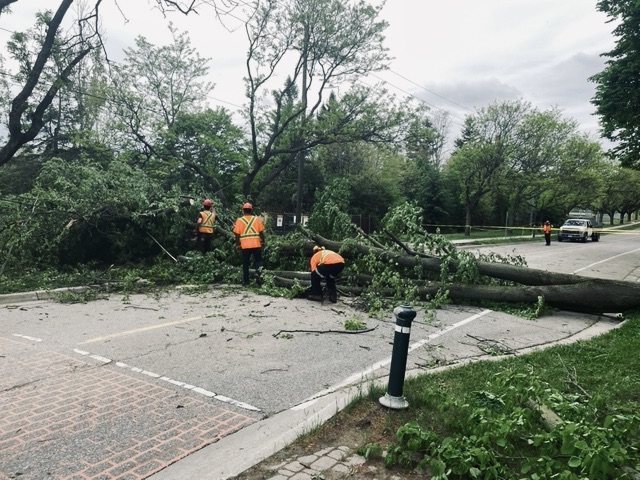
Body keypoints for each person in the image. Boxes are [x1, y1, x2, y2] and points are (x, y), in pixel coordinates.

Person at [233, 202, 265, 285]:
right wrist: (263, 241)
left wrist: (237, 245)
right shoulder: (256, 219)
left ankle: (246, 281)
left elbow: (237, 234)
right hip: (256, 244)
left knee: (245, 263)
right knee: (258, 261)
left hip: (245, 245)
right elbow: (261, 232)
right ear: (251, 210)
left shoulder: (239, 220)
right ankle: (258, 274)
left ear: (243, 210)